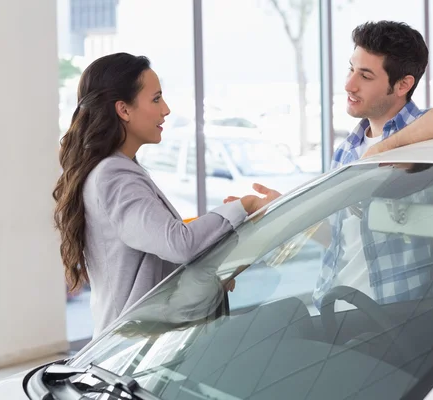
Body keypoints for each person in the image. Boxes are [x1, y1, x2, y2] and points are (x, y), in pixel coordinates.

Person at [227, 20, 433, 308]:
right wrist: (289, 211)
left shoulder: (427, 140)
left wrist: (384, 150)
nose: (349, 84)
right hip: (336, 307)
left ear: (403, 84)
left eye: (366, 76)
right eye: (351, 69)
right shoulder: (348, 149)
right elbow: (340, 238)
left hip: (397, 319)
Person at [52, 52, 276, 338]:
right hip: (131, 350)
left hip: (143, 340)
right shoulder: (113, 176)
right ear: (124, 109)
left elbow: (156, 263)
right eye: (156, 99)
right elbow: (177, 243)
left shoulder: (120, 169)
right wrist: (246, 206)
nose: (166, 110)